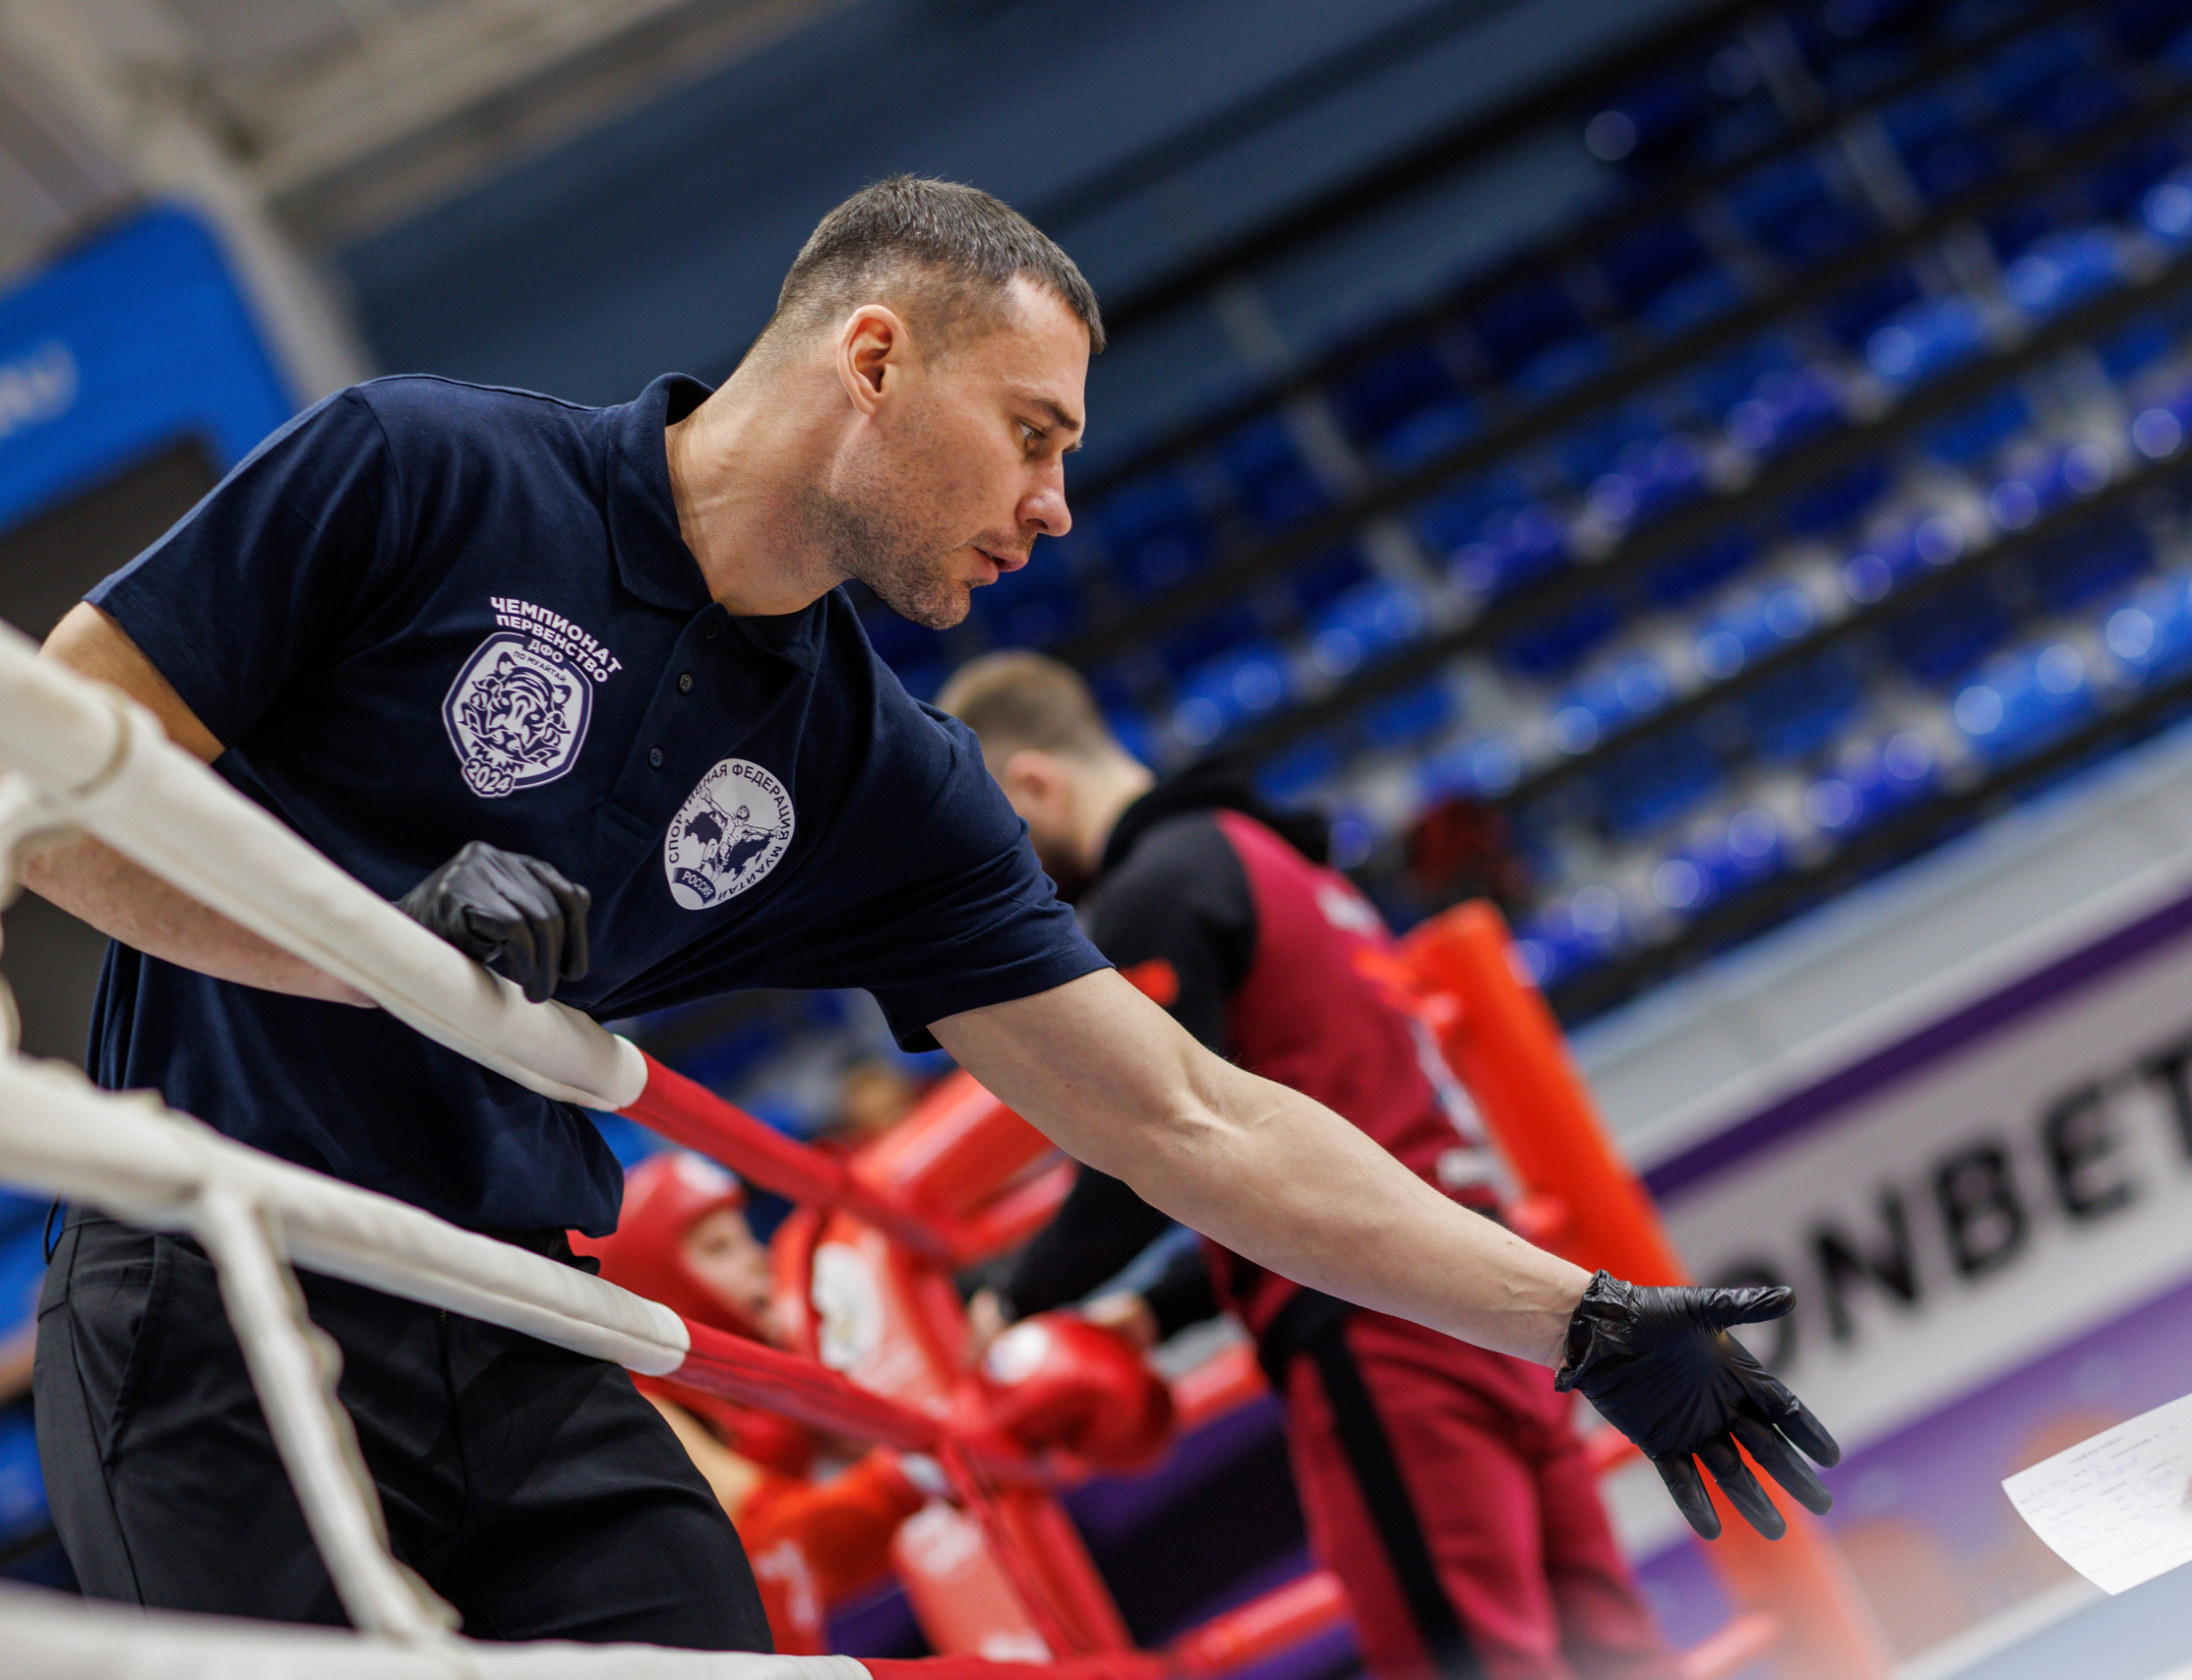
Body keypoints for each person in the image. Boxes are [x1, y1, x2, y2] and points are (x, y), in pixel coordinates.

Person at [22, 174, 1832, 1651]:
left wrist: (1574, 1317)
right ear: (872, 358)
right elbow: (44, 801)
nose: (1052, 508)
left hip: (515, 1307)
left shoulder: (883, 774)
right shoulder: (421, 469)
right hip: (213, 1269)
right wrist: (380, 934)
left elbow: (1186, 1114)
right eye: (1030, 434)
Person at [939, 650, 1707, 1680]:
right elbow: (1339, 1117)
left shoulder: (1157, 887)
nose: (1018, 863)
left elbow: (1154, 1140)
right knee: (1607, 1650)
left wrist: (1009, 1295)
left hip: (1387, 1326)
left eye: (1007, 830)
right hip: (1488, 1296)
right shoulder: (1273, 856)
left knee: (1471, 1663)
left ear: (1033, 782)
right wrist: (1164, 1309)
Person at [576, 1152, 930, 1655]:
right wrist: (910, 1476)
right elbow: (776, 1544)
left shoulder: (754, 1372)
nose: (755, 1258)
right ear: (651, 1282)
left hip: (802, 1624)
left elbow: (886, 1425)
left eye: (745, 1237)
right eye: (719, 1248)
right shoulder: (640, 1406)